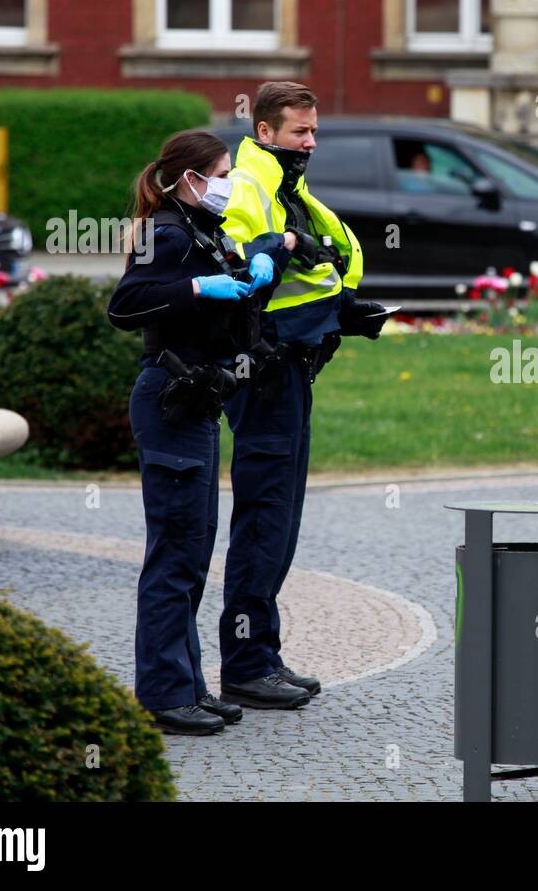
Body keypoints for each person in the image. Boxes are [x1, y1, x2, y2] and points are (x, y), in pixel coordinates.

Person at [107, 130, 296, 734]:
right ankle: (163, 695)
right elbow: (125, 305)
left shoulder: (200, 231)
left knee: (192, 554)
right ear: (189, 179)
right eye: (219, 174)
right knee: (174, 556)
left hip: (194, 405)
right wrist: (194, 288)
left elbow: (241, 280)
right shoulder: (163, 233)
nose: (228, 186)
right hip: (168, 403)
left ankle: (188, 685)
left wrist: (269, 255)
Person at [217, 81, 389, 709]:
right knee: (264, 520)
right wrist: (276, 255)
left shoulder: (287, 187)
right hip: (262, 374)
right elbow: (238, 267)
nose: (311, 143)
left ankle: (262, 653)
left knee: (281, 519)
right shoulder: (251, 184)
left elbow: (314, 270)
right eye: (300, 132)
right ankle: (243, 665)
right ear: (266, 131)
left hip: (290, 367)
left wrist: (345, 311)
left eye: (315, 132)